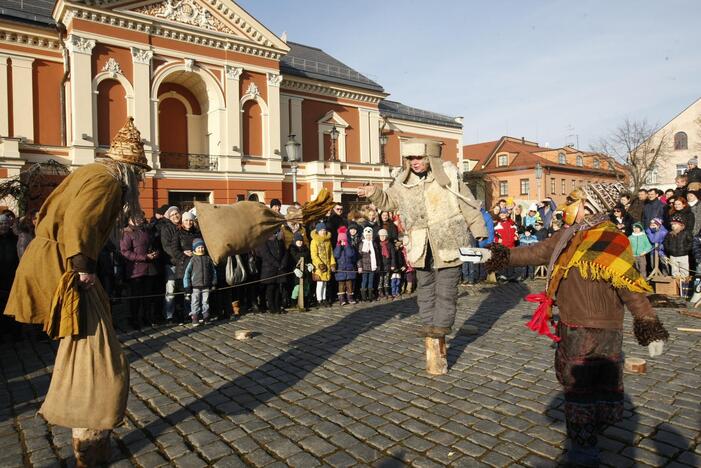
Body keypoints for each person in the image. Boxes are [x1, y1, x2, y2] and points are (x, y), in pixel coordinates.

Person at [473, 182, 669, 466]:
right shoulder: (568, 235)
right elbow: (536, 252)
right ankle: (584, 442)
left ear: (590, 207)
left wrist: (649, 326)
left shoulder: (613, 240)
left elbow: (631, 288)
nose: (566, 207)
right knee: (576, 387)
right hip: (571, 323)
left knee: (589, 390)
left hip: (603, 327)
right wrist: (497, 255)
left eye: (573, 201)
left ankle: (583, 450)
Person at [4, 117, 149, 465]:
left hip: (56, 260)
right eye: (139, 174)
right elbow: (79, 222)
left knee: (83, 350)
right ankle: (88, 438)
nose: (140, 181)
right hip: (67, 267)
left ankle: (86, 434)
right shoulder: (108, 181)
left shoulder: (88, 172)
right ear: (129, 169)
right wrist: (83, 267)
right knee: (97, 358)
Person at [357, 138, 487, 374]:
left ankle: (441, 326)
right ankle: (429, 325)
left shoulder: (448, 176)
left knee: (447, 289)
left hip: (448, 240)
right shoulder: (402, 182)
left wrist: (479, 231)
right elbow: (388, 202)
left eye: (419, 158)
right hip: (420, 244)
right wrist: (373, 193)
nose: (415, 163)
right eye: (411, 159)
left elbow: (468, 204)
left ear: (430, 158)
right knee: (425, 286)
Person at [119, 212, 159, 329]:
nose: (141, 220)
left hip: (149, 268)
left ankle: (146, 317)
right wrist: (143, 257)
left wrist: (155, 253)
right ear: (131, 219)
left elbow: (152, 244)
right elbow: (125, 252)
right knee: (135, 297)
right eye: (138, 218)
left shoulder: (146, 231)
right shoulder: (127, 233)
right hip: (135, 270)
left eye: (142, 217)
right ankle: (134, 319)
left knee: (147, 296)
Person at [183, 238, 217, 325]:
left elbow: (213, 272)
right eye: (198, 247)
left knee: (205, 302)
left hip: (206, 285)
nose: (201, 249)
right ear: (194, 249)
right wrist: (187, 286)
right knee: (195, 302)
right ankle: (195, 318)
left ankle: (206, 317)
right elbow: (187, 274)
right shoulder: (192, 259)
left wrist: (213, 283)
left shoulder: (207, 259)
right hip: (195, 286)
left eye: (202, 247)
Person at [255, 229, 289, 314]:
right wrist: (277, 264)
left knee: (278, 288)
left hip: (279, 269)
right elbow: (266, 255)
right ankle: (271, 307)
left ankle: (277, 306)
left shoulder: (279, 241)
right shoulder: (264, 242)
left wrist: (283, 263)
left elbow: (285, 253)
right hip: (269, 269)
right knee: (270, 288)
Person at [160, 206, 182, 323]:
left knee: (183, 289)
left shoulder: (183, 226)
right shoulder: (166, 228)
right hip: (172, 263)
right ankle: (169, 315)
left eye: (177, 213)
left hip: (183, 263)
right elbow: (167, 247)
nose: (175, 216)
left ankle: (182, 313)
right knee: (171, 290)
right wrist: (180, 255)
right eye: (172, 215)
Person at [0, 213, 19, 343]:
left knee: (13, 305)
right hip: (0, 278)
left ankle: (15, 333)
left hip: (12, 276)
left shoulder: (15, 239)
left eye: (6, 223)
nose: (4, 226)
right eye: (1, 224)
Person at [310, 222, 335, 307]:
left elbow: (331, 253)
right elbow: (314, 255)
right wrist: (320, 264)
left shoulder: (328, 241)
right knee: (320, 283)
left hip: (327, 265)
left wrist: (332, 264)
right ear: (317, 231)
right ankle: (319, 299)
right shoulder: (314, 241)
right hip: (319, 267)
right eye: (321, 230)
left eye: (324, 230)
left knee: (325, 283)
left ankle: (324, 298)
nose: (323, 232)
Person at [333, 226, 357, 305]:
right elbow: (336, 255)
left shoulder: (349, 246)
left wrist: (346, 245)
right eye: (341, 240)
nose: (343, 241)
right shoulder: (337, 247)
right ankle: (341, 298)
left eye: (344, 240)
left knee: (349, 284)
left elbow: (350, 254)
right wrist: (339, 245)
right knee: (341, 284)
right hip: (341, 269)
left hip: (349, 268)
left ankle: (350, 297)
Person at [289, 232, 311, 310]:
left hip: (305, 272)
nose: (300, 242)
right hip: (296, 272)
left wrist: (310, 265)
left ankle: (305, 302)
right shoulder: (292, 249)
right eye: (298, 241)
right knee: (297, 288)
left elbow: (308, 259)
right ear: (295, 241)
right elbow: (290, 262)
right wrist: (294, 269)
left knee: (306, 288)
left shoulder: (306, 249)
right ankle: (293, 302)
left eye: (301, 240)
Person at [357, 226, 379, 302]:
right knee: (364, 281)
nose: (368, 237)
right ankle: (363, 296)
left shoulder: (374, 244)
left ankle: (370, 296)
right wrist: (359, 266)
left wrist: (378, 265)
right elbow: (359, 257)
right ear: (364, 235)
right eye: (367, 235)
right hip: (364, 266)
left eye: (370, 235)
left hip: (372, 266)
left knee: (371, 281)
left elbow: (377, 255)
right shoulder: (362, 244)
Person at [377, 228, 397, 299]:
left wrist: (393, 265)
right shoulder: (377, 245)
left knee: (386, 279)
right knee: (380, 279)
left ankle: (387, 292)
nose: (382, 237)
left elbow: (393, 256)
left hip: (387, 265)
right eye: (381, 236)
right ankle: (380, 292)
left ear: (386, 236)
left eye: (383, 236)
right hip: (380, 265)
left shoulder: (390, 244)